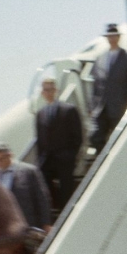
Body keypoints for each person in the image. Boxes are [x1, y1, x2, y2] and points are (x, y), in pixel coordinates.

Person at [88, 23, 127, 153]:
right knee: (96, 136)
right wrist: (91, 106)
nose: (112, 39)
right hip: (101, 106)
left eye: (114, 36)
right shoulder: (100, 58)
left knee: (121, 136)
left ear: (118, 37)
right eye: (109, 36)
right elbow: (96, 84)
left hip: (120, 103)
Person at [34, 77, 83, 210]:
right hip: (47, 159)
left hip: (64, 157)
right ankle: (52, 210)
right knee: (45, 186)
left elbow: (77, 135)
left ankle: (67, 211)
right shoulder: (40, 113)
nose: (48, 92)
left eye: (50, 89)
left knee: (66, 187)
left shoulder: (69, 110)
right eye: (45, 90)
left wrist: (71, 154)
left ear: (56, 90)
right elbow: (39, 139)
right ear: (42, 93)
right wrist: (40, 159)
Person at [0, 141, 51, 230]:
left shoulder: (29, 171)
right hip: (5, 227)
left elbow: (42, 198)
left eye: (1, 159)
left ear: (10, 155)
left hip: (28, 224)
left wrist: (46, 223)